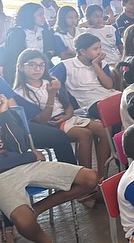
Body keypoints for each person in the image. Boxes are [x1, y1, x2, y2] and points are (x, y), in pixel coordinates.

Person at [0, 93, 98, 243]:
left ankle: (37, 209)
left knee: (90, 178)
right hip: (4, 176)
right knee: (24, 222)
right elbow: (27, 154)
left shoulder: (7, 114)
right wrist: (31, 156)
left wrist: (5, 115)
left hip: (27, 165)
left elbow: (21, 147)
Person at [14, 49, 110, 183]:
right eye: (32, 65)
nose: (38, 69)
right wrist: (52, 95)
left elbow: (68, 105)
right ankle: (86, 178)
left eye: (42, 65)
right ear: (21, 67)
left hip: (67, 117)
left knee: (103, 129)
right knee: (84, 134)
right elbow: (42, 119)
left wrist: (68, 114)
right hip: (52, 123)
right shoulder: (20, 92)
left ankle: (101, 176)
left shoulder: (50, 80)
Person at [51, 33, 120, 119]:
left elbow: (109, 86)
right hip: (90, 102)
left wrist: (96, 65)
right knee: (109, 111)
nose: (99, 52)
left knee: (130, 101)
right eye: (95, 49)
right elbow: (51, 81)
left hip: (109, 95)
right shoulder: (66, 66)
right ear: (82, 52)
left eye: (100, 48)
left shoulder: (101, 63)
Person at [3, 3, 68, 86]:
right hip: (23, 69)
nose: (43, 18)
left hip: (42, 65)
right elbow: (12, 57)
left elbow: (51, 49)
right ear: (29, 16)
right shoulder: (16, 33)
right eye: (40, 15)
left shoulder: (44, 31)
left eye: (43, 14)